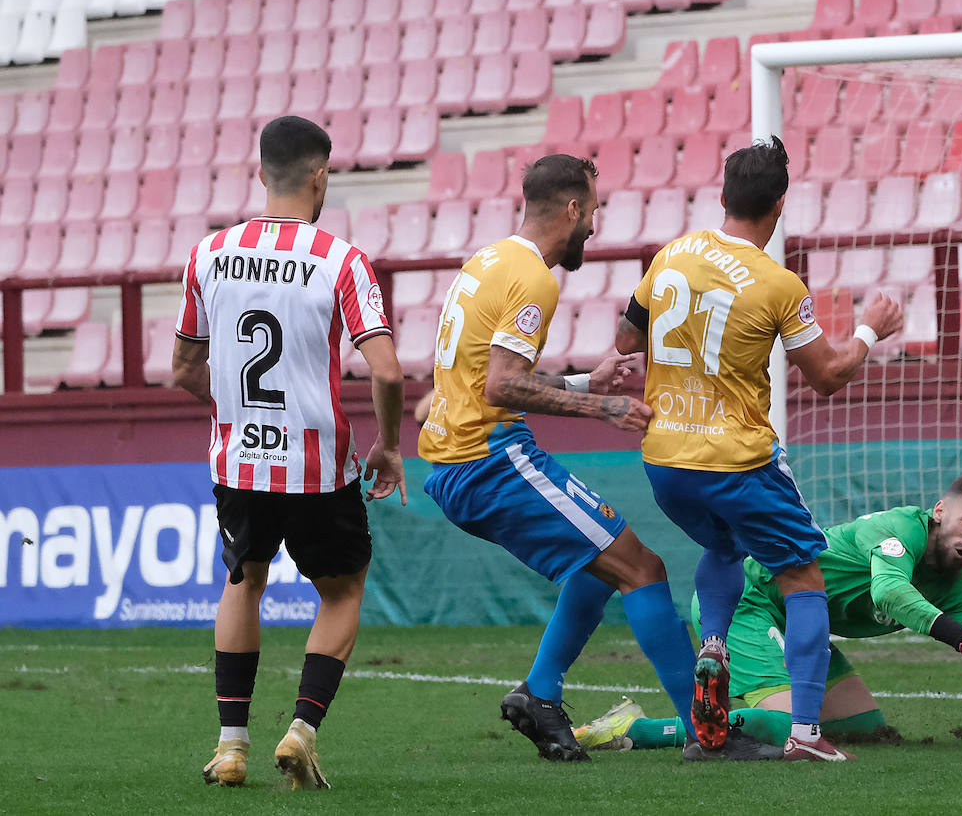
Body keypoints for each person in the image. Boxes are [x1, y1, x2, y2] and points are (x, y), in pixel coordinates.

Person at [418, 154, 776, 762]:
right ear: (573, 208)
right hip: (491, 460)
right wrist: (601, 410)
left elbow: (477, 377)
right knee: (642, 567)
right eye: (595, 210)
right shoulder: (533, 279)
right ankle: (706, 732)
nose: (596, 226)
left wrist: (587, 382)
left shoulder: (488, 261)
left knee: (600, 561)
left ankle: (539, 693)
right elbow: (501, 387)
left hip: (459, 461)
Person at [614, 136, 903, 761]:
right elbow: (826, 375)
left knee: (723, 545)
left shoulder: (671, 257)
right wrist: (868, 330)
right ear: (778, 206)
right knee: (803, 577)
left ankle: (712, 646)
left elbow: (624, 337)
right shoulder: (778, 283)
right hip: (738, 461)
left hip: (664, 459)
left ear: (722, 197)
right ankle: (805, 735)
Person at [172, 115, 407, 791]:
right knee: (343, 590)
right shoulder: (341, 260)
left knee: (244, 578)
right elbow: (386, 372)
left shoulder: (208, 253)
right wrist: (388, 446)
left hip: (238, 460)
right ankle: (301, 730)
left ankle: (231, 747)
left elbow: (187, 368)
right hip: (316, 463)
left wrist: (236, 415)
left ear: (259, 173)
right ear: (320, 175)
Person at [572, 474, 962, 751]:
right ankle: (633, 730)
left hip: (800, 624)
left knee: (868, 730)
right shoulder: (901, 529)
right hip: (752, 601)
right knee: (792, 726)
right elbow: (890, 594)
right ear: (940, 512)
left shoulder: (958, 582)